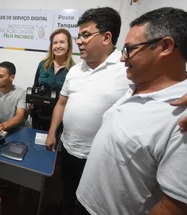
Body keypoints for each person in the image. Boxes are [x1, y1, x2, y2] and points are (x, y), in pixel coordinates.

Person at [76, 7, 187, 215]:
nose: (122, 58)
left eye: (130, 49)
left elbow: (173, 208)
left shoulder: (180, 117)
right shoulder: (137, 84)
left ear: (165, 46)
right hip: (85, 200)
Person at [45, 7, 128, 215]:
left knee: (89, 203)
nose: (79, 41)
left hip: (100, 157)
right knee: (67, 189)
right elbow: (61, 103)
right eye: (79, 35)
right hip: (69, 147)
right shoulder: (75, 70)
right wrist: (52, 132)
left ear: (106, 37)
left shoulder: (126, 69)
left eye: (86, 35)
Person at [31, 28, 75, 131]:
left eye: (62, 42)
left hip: (60, 119)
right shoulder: (43, 65)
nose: (58, 46)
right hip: (39, 116)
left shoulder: (73, 69)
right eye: (55, 43)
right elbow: (35, 86)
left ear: (68, 46)